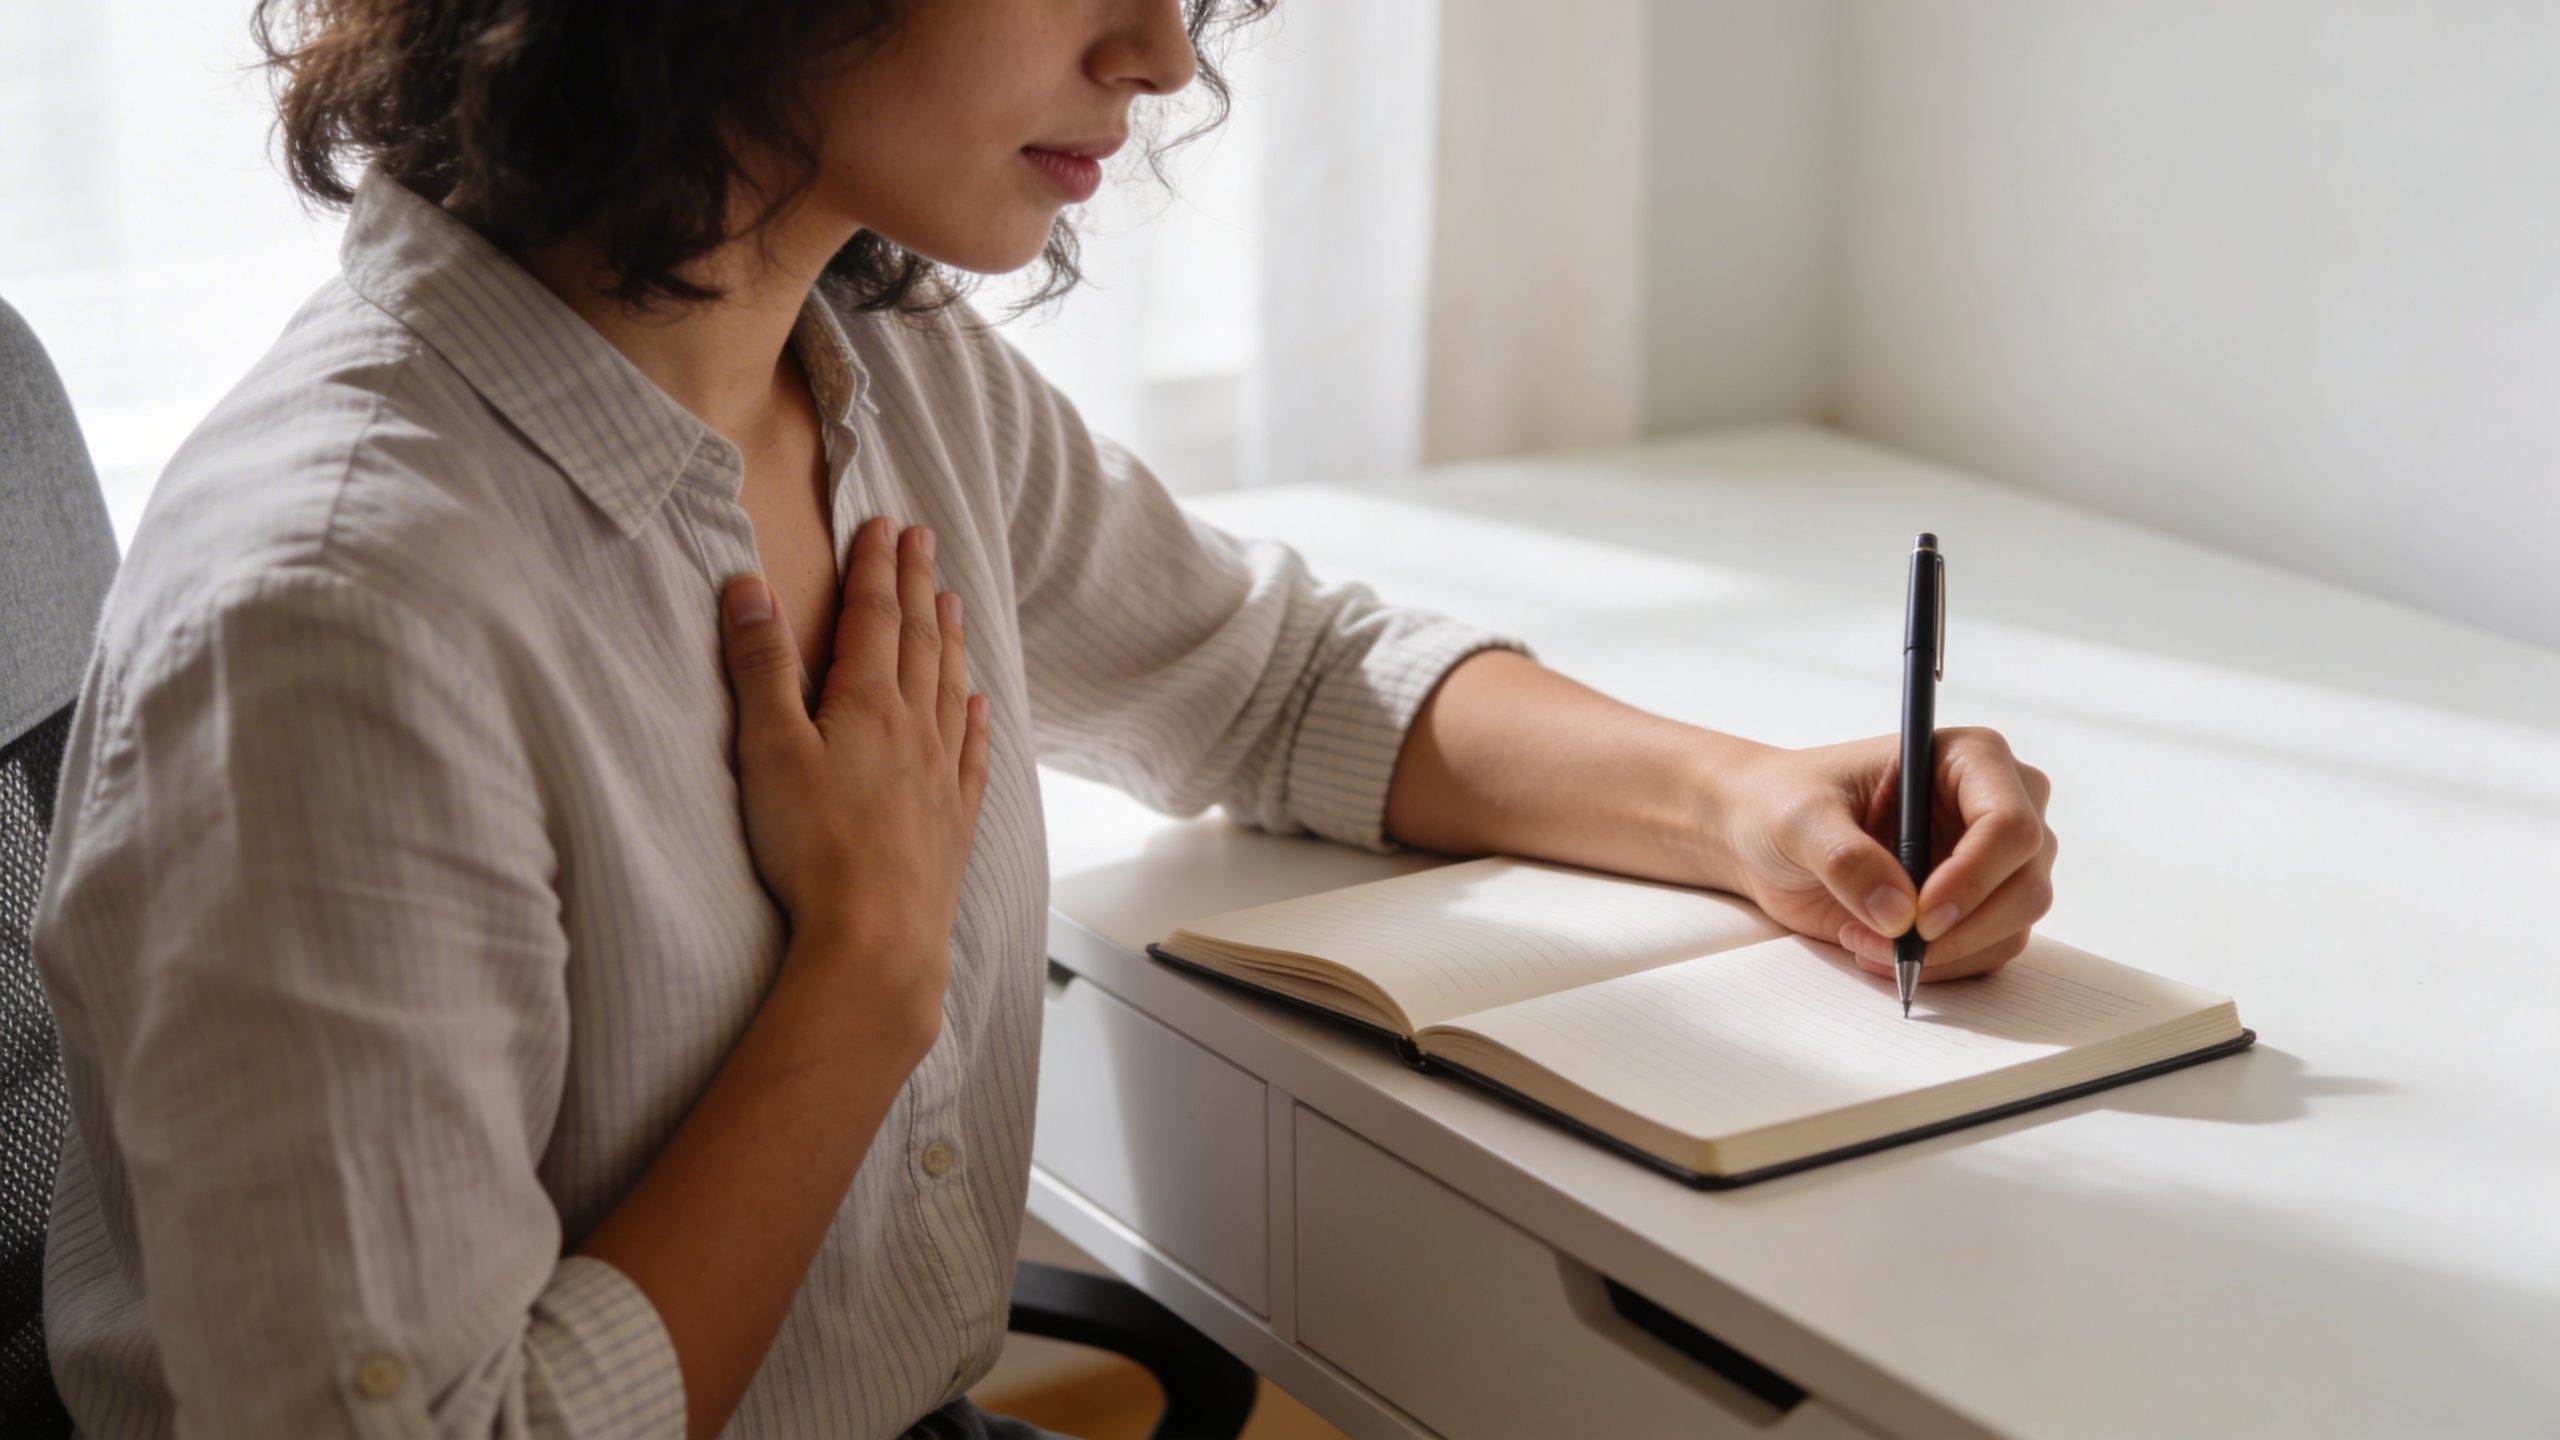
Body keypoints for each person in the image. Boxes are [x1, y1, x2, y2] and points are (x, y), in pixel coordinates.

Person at [28, 1, 2060, 1436]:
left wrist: (1753, 804)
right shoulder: (338, 625)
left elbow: (1267, 673)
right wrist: (864, 984)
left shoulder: (872, 363)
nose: (1164, 49)